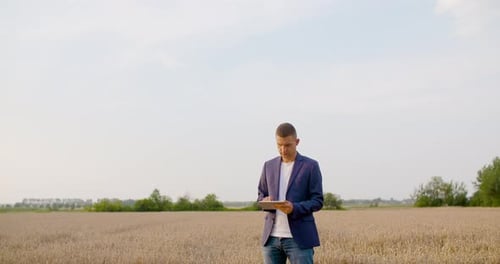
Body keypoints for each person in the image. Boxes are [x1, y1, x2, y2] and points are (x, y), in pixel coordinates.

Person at [257, 122, 324, 264]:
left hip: (299, 239)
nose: (283, 149)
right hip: (271, 239)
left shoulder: (310, 166)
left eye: (287, 145)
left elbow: (317, 200)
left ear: (297, 142)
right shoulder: (268, 166)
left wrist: (295, 208)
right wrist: (266, 201)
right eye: (279, 145)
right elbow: (260, 196)